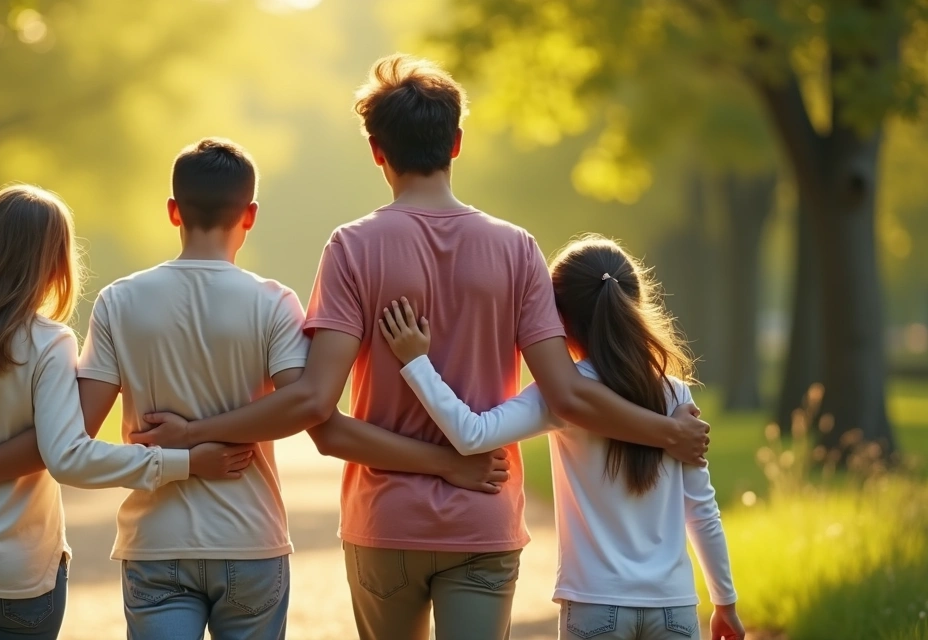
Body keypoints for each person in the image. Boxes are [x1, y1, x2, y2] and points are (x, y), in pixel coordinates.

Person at [131, 55, 711, 640]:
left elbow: (319, 417)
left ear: (376, 151)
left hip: (386, 520)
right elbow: (569, 395)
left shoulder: (352, 248)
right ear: (456, 143)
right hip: (483, 517)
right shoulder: (517, 249)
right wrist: (667, 432)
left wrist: (193, 433)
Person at [0, 140, 506, 640]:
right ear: (250, 215)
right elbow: (307, 404)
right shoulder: (273, 302)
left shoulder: (120, 302)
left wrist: (182, 445)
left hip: (156, 544)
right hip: (250, 541)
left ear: (173, 211)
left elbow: (70, 439)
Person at [0, 185, 252, 639]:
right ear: (53, 262)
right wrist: (184, 462)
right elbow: (67, 454)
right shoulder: (49, 343)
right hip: (21, 572)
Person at [377, 236, 745, 640]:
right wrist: (724, 602)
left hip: (595, 604)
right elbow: (701, 509)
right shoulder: (675, 395)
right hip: (675, 608)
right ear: (635, 303)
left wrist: (417, 362)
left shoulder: (561, 395)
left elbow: (472, 434)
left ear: (560, 320)